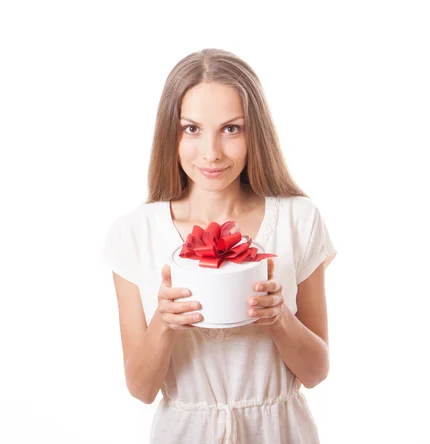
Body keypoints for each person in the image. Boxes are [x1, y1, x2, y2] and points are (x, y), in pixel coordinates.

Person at [103, 48, 337, 444]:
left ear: (254, 133)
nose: (211, 152)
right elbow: (141, 390)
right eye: (191, 128)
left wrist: (278, 317)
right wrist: (164, 321)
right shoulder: (135, 233)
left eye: (231, 129)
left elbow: (315, 373)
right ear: (169, 133)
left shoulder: (299, 219)